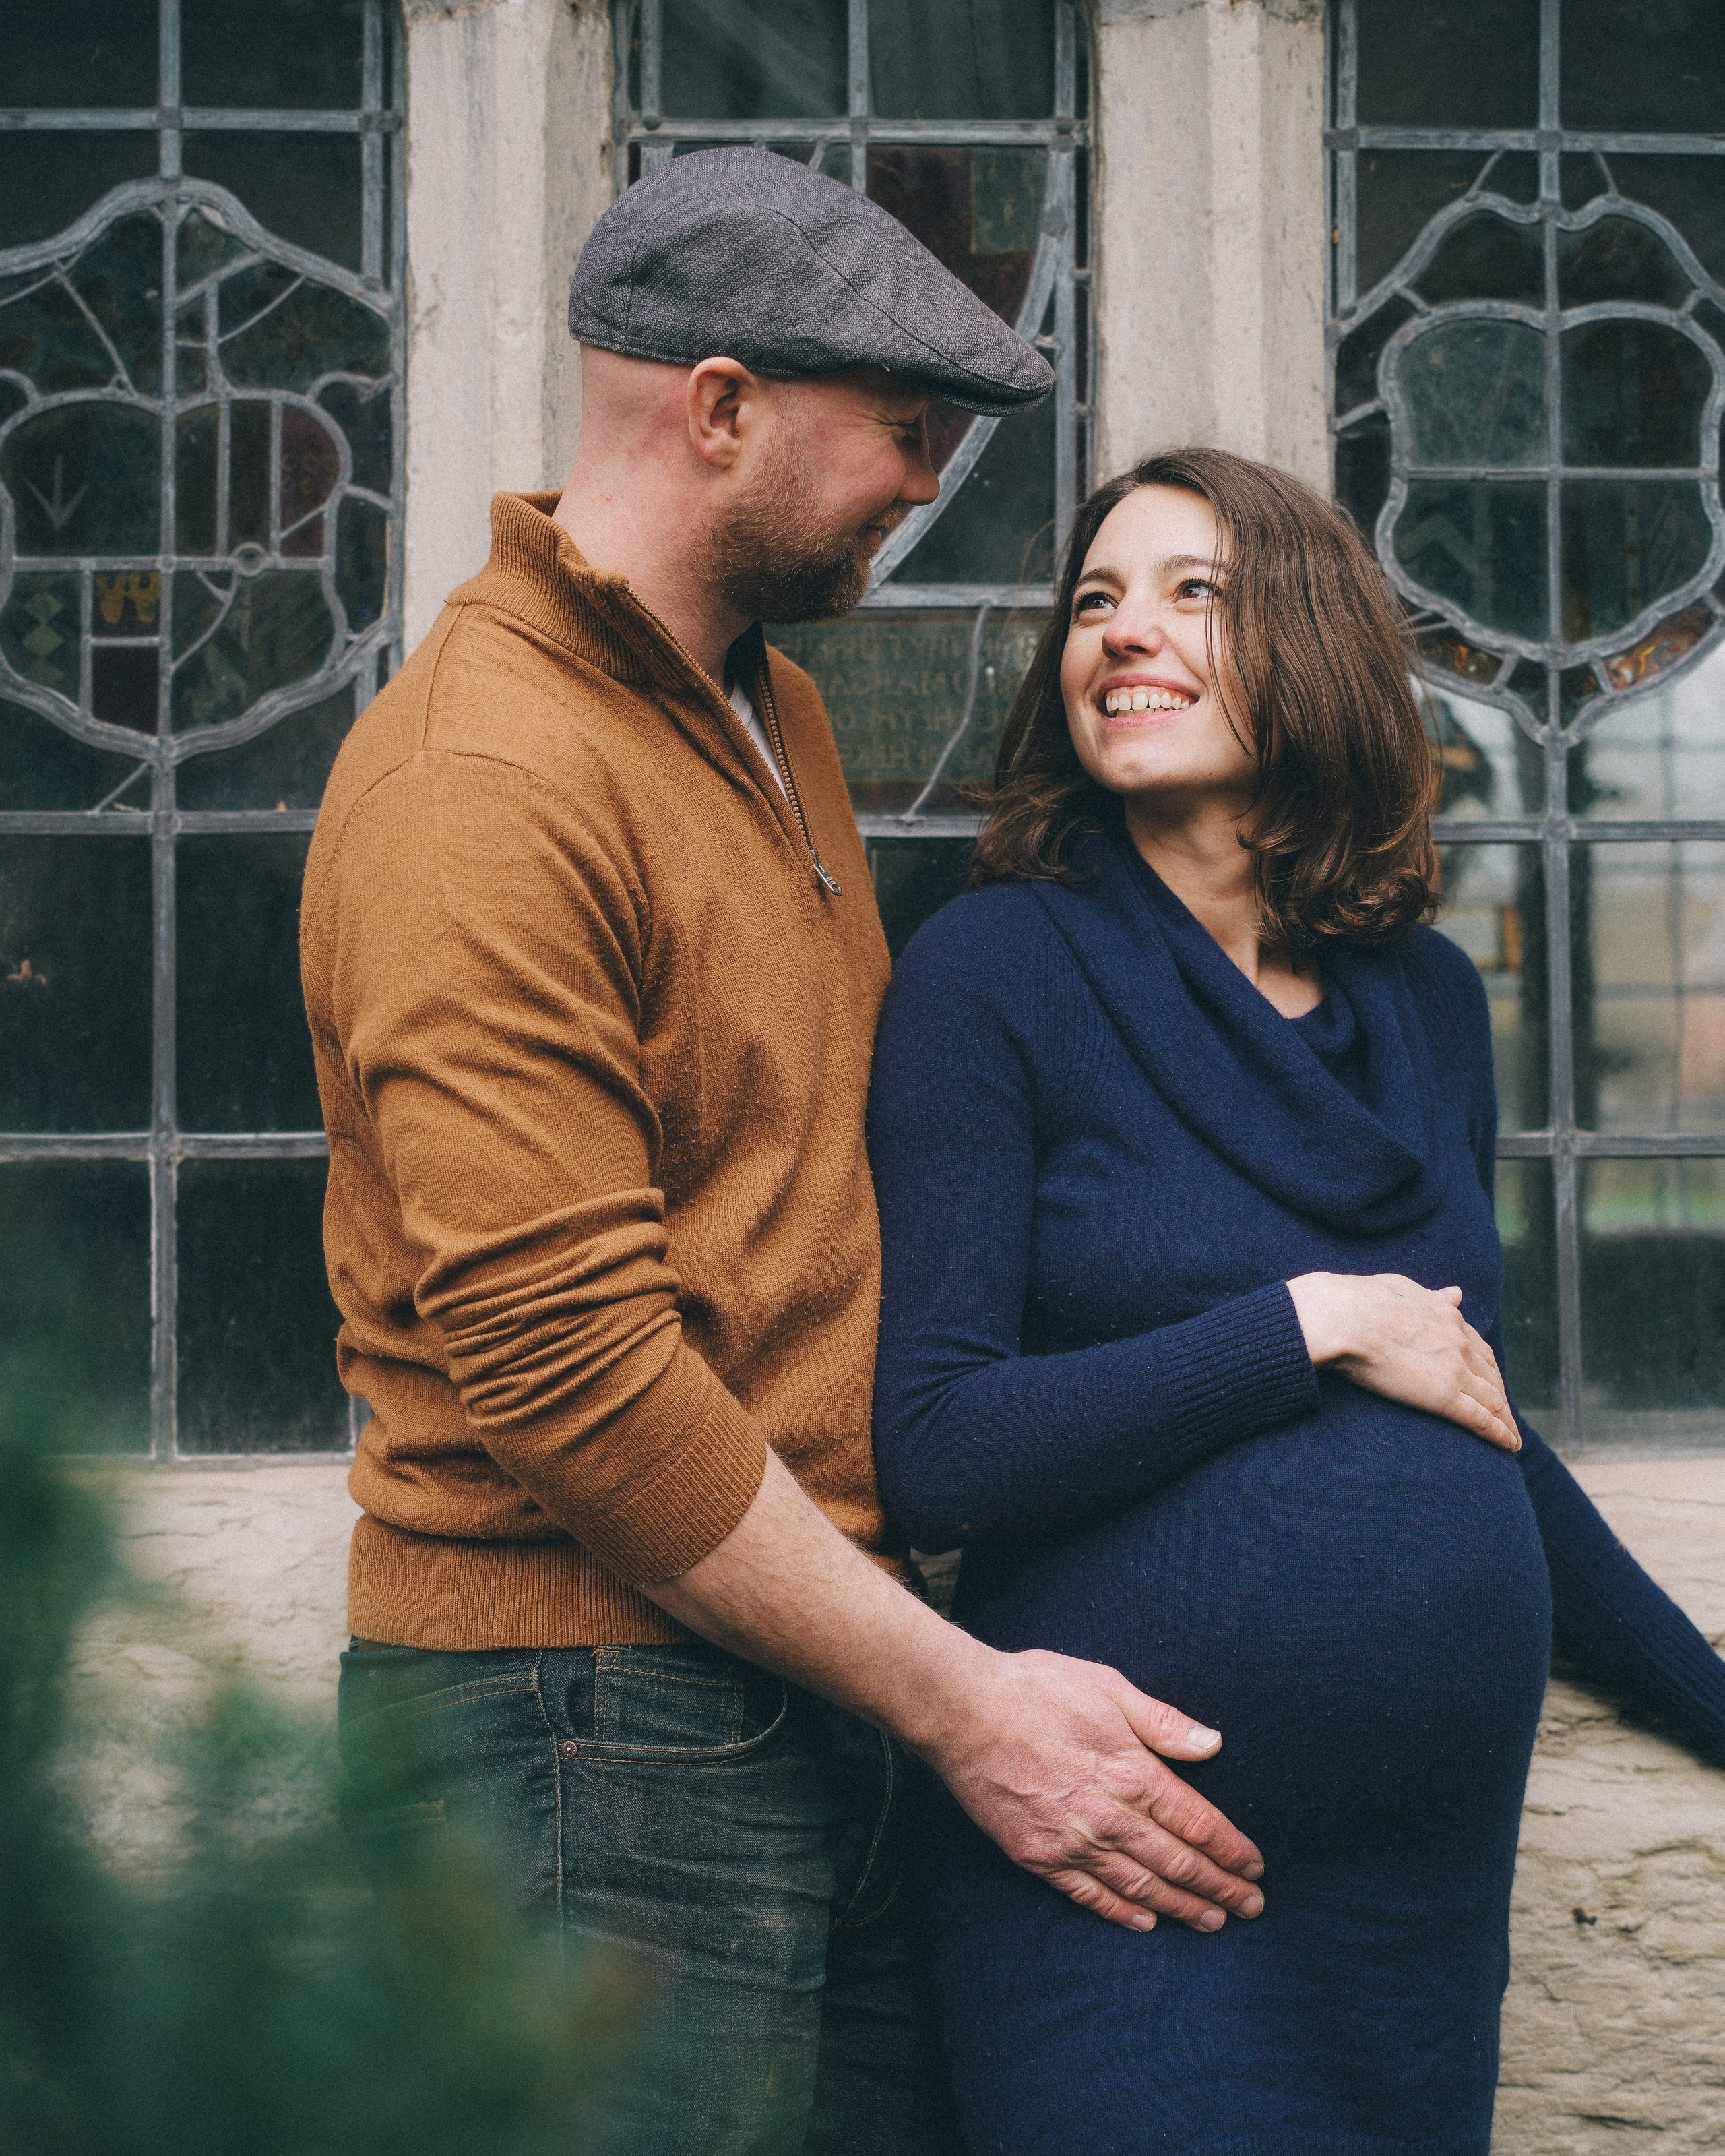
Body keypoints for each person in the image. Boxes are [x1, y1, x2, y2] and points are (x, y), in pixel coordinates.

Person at [302, 157, 1269, 2156]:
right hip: (576, 1737)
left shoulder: (777, 715)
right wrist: (968, 1704)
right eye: (905, 435)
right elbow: (573, 1378)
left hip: (800, 1683)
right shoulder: (482, 781)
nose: (930, 486)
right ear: (719, 409)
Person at [867, 448, 1725, 2156]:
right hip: (1132, 1871)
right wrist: (1308, 1319)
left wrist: (1707, 1698)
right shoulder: (994, 973)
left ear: (1318, 641)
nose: (1123, 633)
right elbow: (936, 1445)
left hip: (1408, 1908)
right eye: (1095, 603)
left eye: (1192, 590)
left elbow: (1475, 1425)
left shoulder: (1417, 1002)